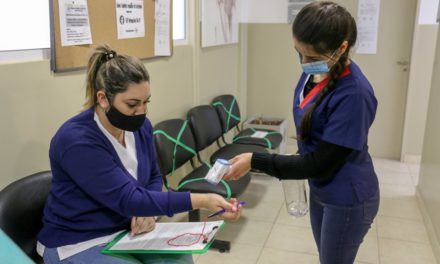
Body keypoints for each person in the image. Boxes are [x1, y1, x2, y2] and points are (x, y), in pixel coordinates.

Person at [37, 44, 241, 264]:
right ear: (103, 99)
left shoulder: (140, 128)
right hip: (77, 241)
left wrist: (146, 213)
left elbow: (153, 176)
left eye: (146, 102)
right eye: (132, 104)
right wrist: (203, 200)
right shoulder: (77, 141)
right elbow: (129, 199)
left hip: (125, 229)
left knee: (179, 257)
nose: (141, 112)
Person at [223, 2, 379, 264]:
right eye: (299, 53)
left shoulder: (354, 94)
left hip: (346, 196)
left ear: (341, 48)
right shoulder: (316, 73)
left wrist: (255, 160)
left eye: (313, 58)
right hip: (320, 187)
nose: (304, 63)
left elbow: (321, 162)